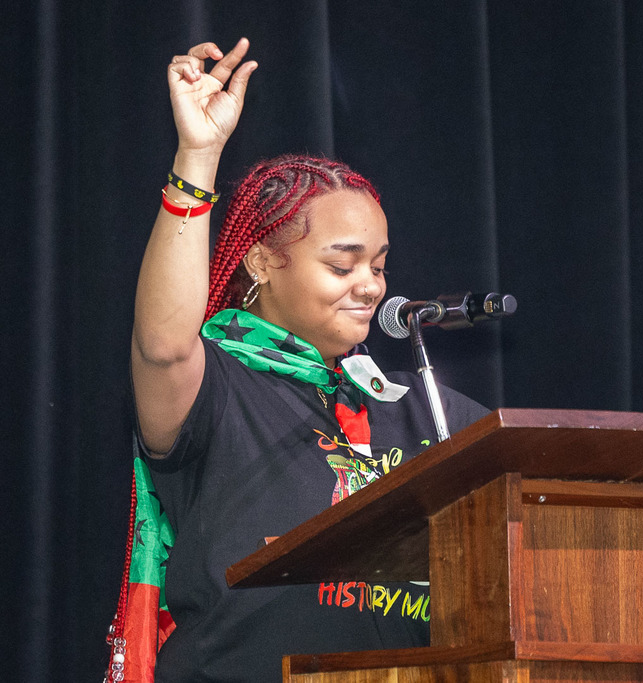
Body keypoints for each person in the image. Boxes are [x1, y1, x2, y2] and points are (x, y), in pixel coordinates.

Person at [120, 38, 491, 682]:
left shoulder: (424, 409)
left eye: (378, 266)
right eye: (342, 265)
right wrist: (198, 156)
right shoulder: (216, 387)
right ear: (262, 262)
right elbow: (163, 344)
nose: (371, 286)